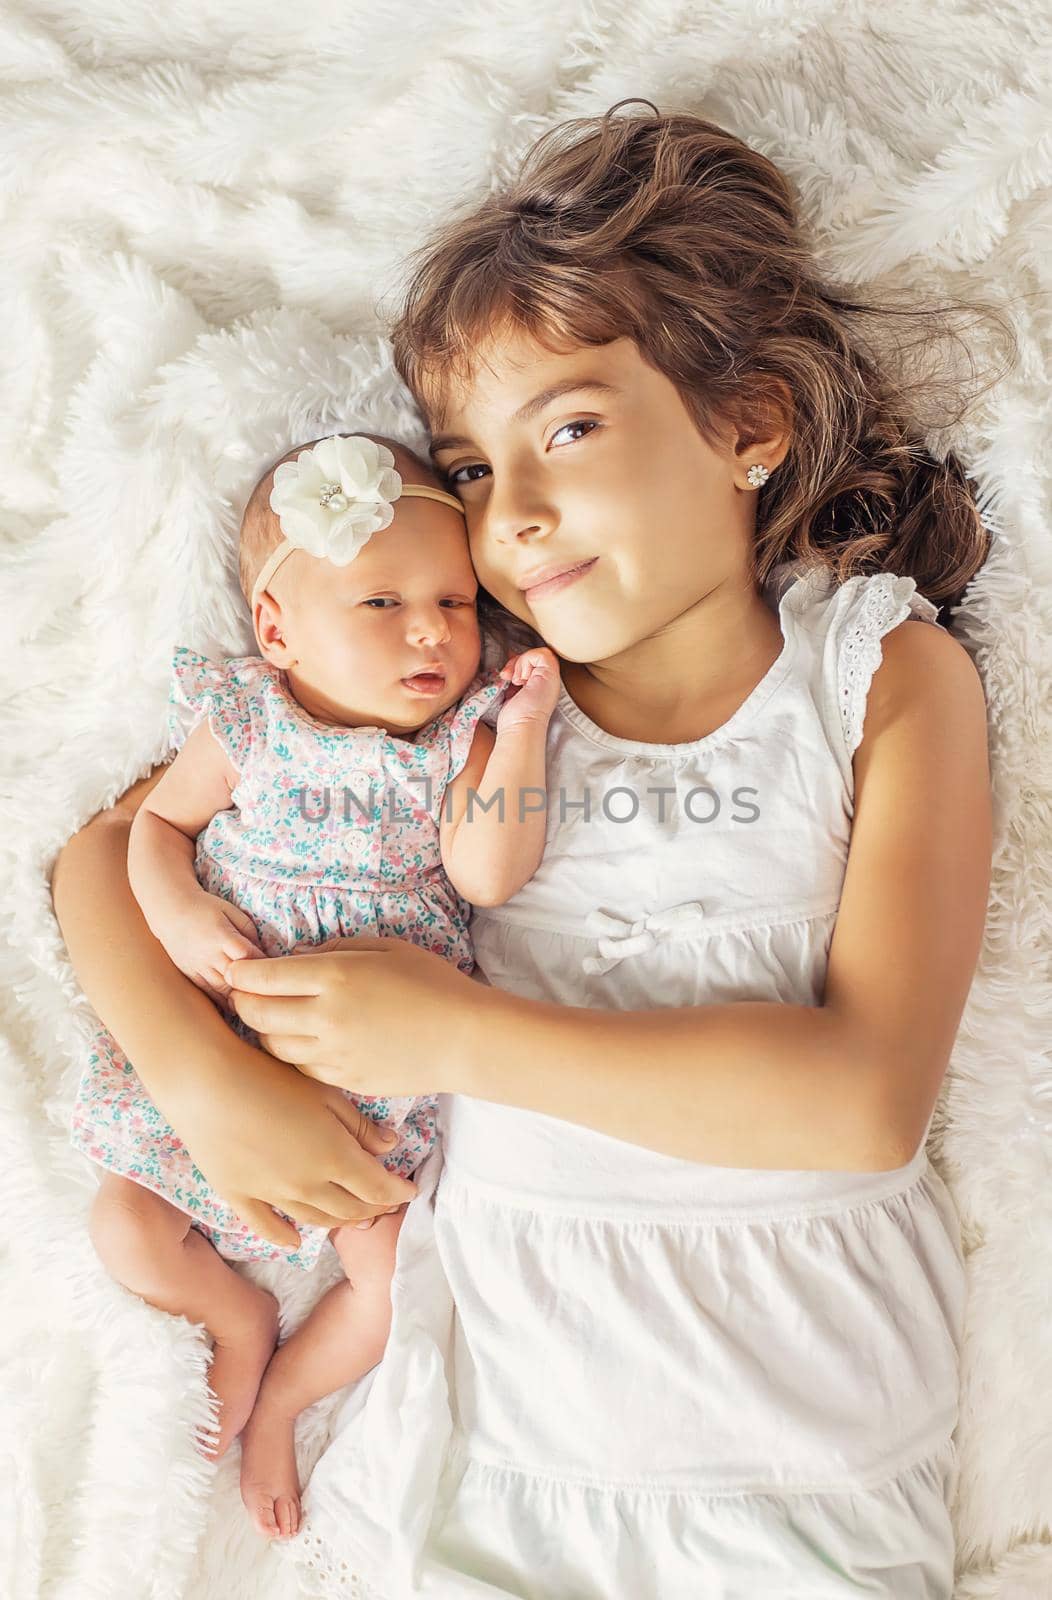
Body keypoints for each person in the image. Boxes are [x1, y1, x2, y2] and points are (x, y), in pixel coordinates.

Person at [51, 101, 998, 1597]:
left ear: (746, 424)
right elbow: (100, 861)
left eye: (565, 428)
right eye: (473, 471)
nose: (516, 517)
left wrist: (458, 1036)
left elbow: (865, 1100)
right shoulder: (448, 702)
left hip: (795, 1431)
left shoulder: (875, 679)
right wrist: (201, 1080)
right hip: (495, 1414)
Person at [65, 429, 559, 1545]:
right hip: (221, 1033)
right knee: (124, 1223)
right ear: (277, 631)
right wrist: (181, 909)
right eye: (380, 604)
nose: (430, 628)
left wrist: (520, 732)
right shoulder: (249, 722)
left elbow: (488, 868)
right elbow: (153, 829)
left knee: (388, 1283)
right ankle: (232, 1314)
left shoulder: (457, 740)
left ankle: (284, 1393)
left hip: (364, 1085)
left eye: (452, 599)